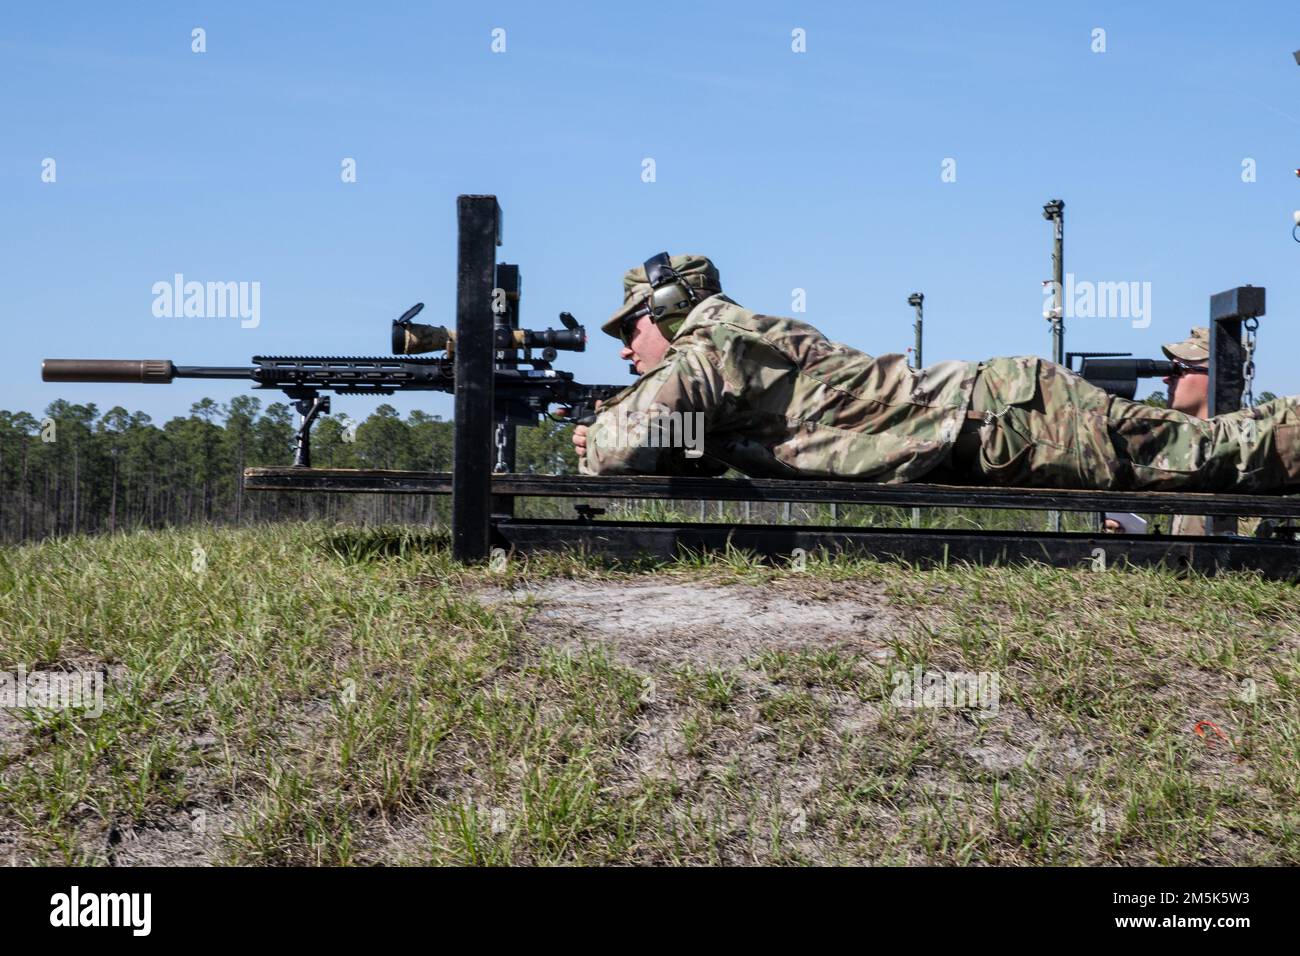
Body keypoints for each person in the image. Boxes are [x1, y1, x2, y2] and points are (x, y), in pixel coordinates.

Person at [573, 254, 1300, 496]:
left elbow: (619, 451)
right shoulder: (731, 346)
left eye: (629, 326)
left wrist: (597, 433)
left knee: (1213, 456)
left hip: (1002, 421)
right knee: (1214, 449)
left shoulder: (710, 346)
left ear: (668, 310)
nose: (624, 348)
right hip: (996, 416)